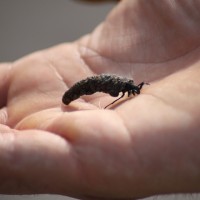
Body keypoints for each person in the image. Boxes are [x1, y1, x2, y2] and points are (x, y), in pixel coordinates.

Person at [0, 0, 200, 199]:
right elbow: (116, 94)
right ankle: (70, 97)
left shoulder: (125, 86)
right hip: (89, 87)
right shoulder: (123, 86)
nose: (135, 92)